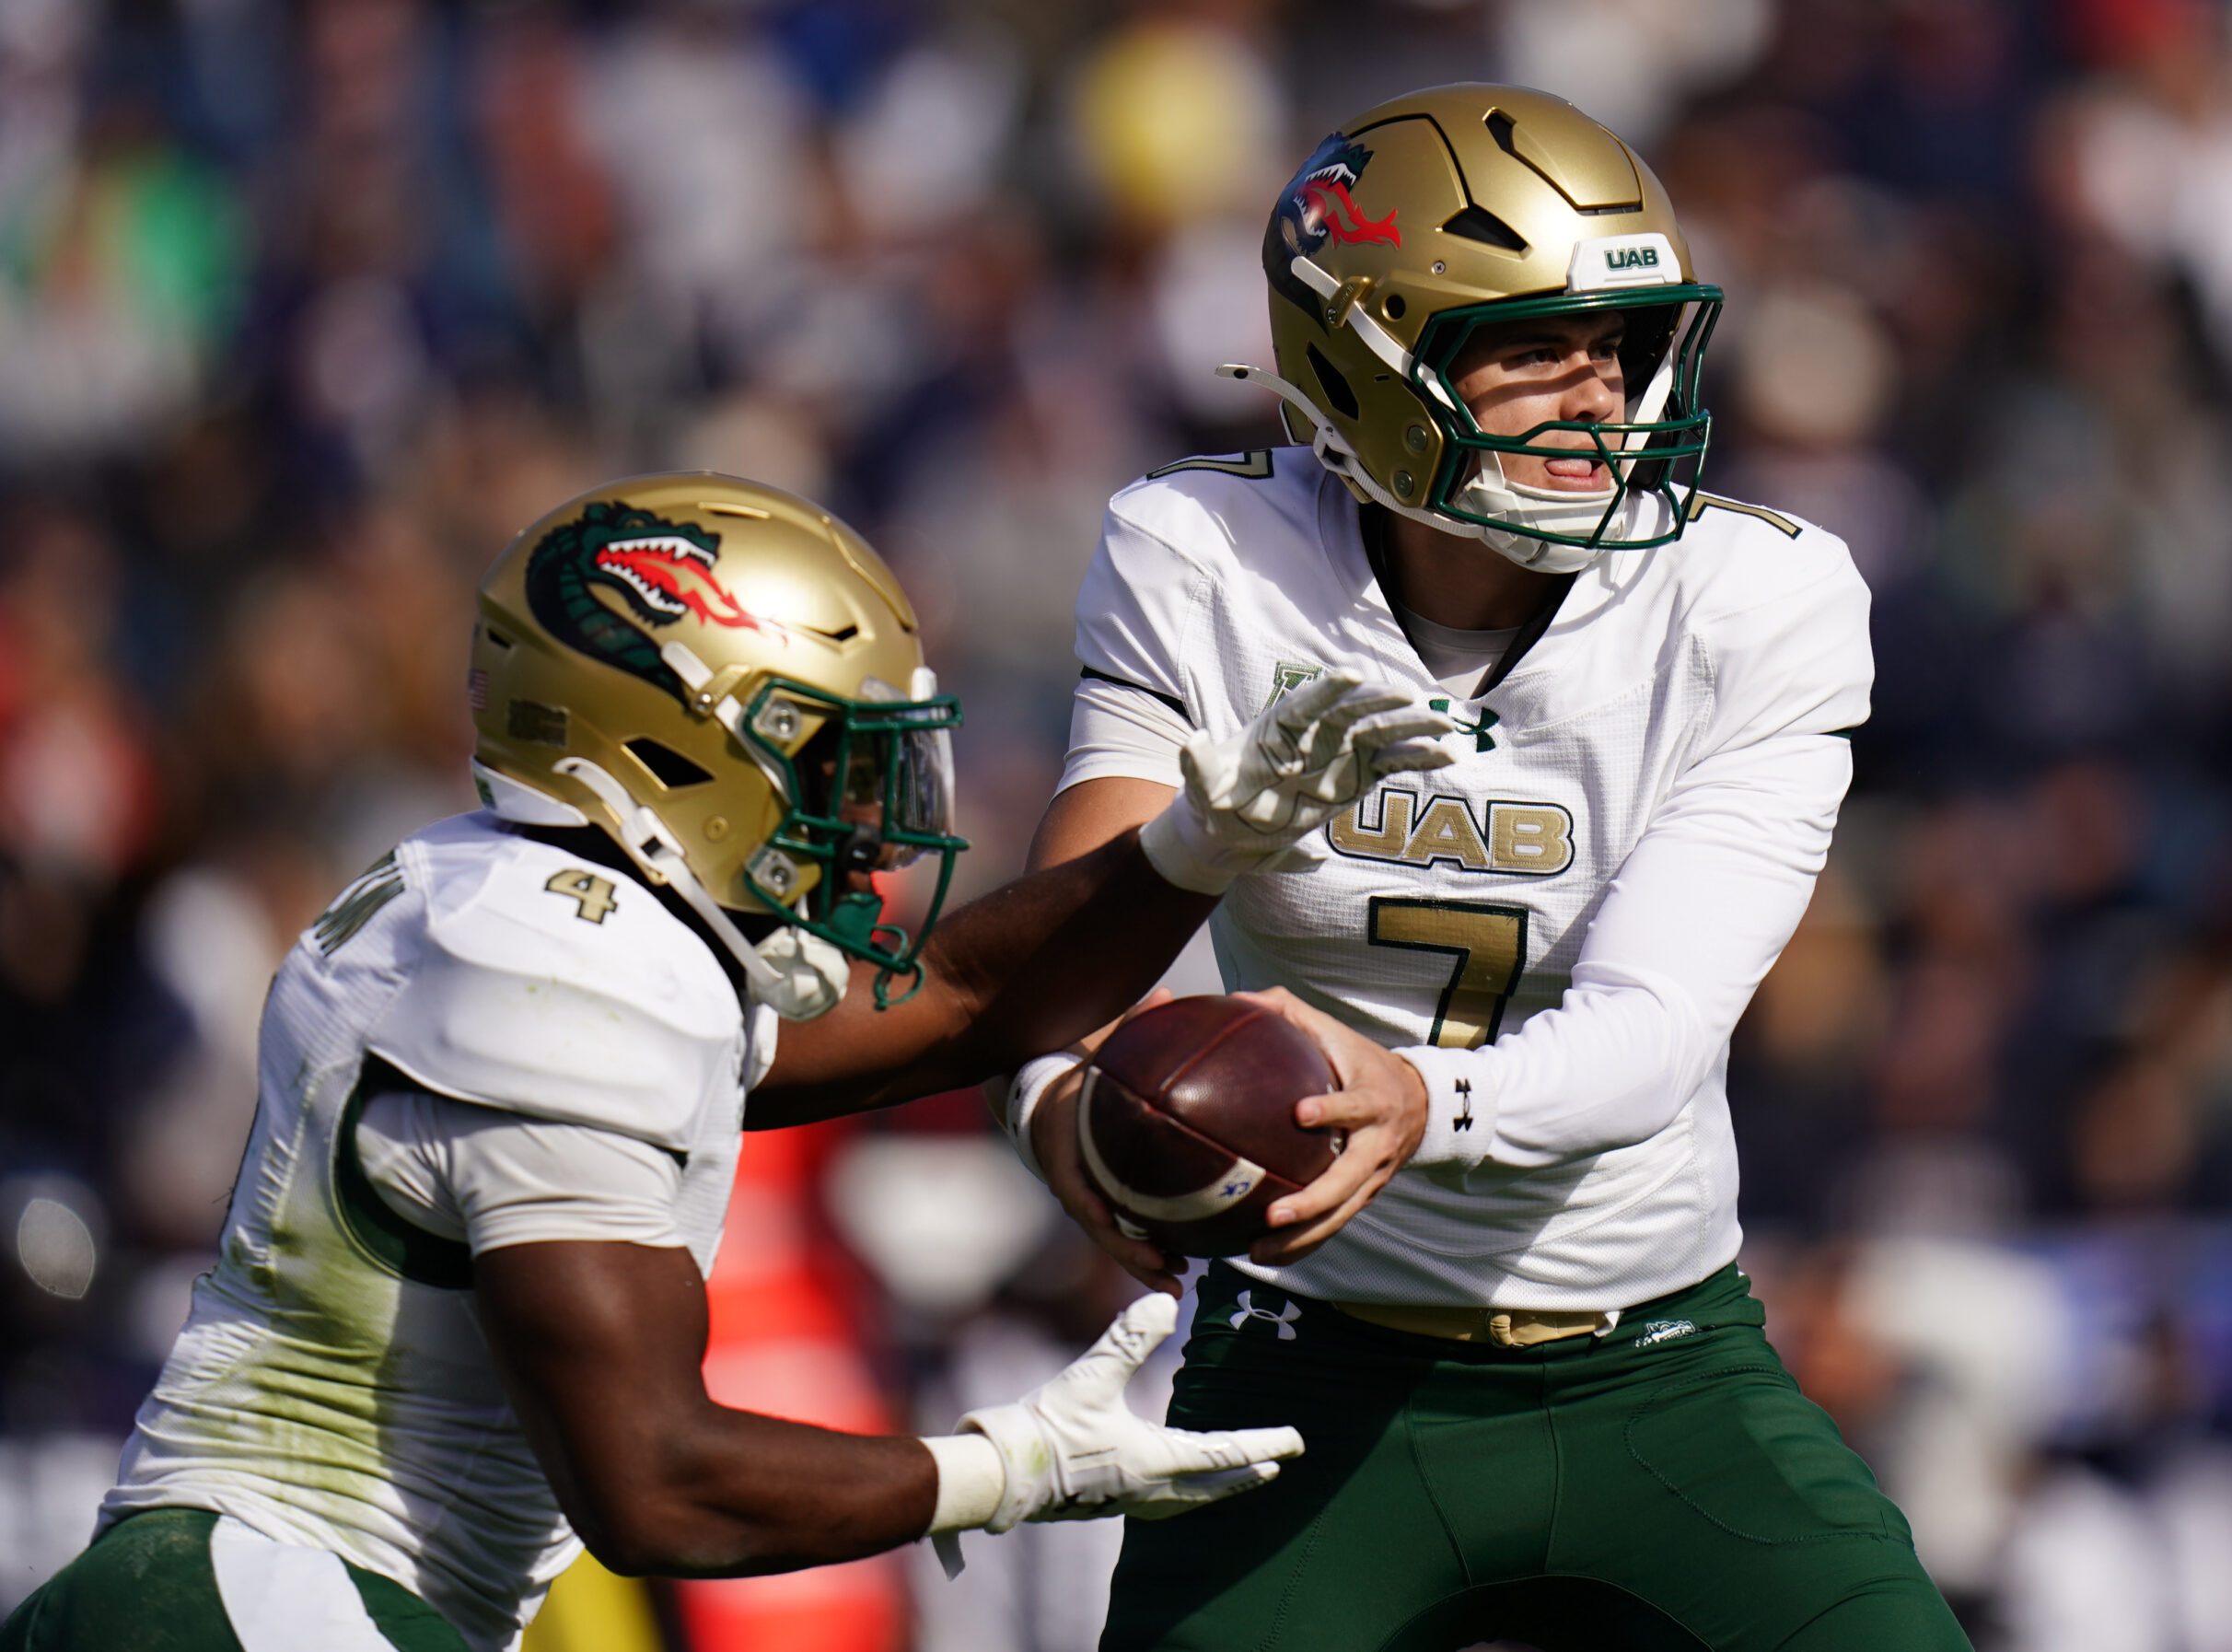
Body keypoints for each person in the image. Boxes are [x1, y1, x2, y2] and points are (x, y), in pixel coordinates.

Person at [0, 472, 1455, 1652]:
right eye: (834, 768)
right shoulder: (557, 973)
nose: (877, 833)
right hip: (273, 1598)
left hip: (236, 1593)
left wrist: (1193, 848)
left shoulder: (519, 899)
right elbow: (654, 1479)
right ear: (670, 758)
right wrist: (1006, 1470)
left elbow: (960, 999)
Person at [1007, 86, 1977, 1650]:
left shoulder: (1757, 598)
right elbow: (1075, 952)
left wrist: (1419, 1101)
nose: (1604, 395)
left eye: (1625, 342)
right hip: (1307, 1365)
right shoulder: (1202, 555)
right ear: (1361, 362)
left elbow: (1656, 1032)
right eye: (1531, 347)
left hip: (1662, 1364)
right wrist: (1061, 1105)